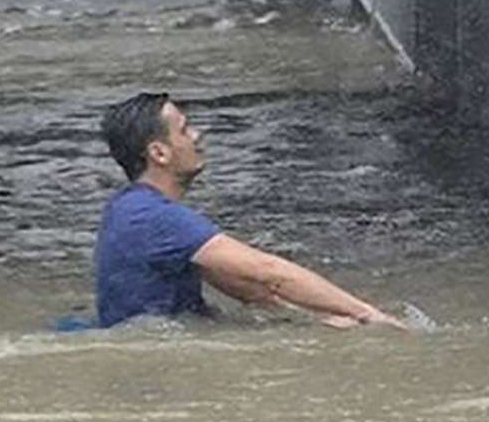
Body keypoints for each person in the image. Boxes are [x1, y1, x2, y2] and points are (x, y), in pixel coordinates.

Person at [92, 92, 403, 330]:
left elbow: (244, 286)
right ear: (159, 153)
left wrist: (314, 319)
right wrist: (369, 315)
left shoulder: (130, 207)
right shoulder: (155, 217)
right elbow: (268, 272)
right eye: (185, 130)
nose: (198, 136)